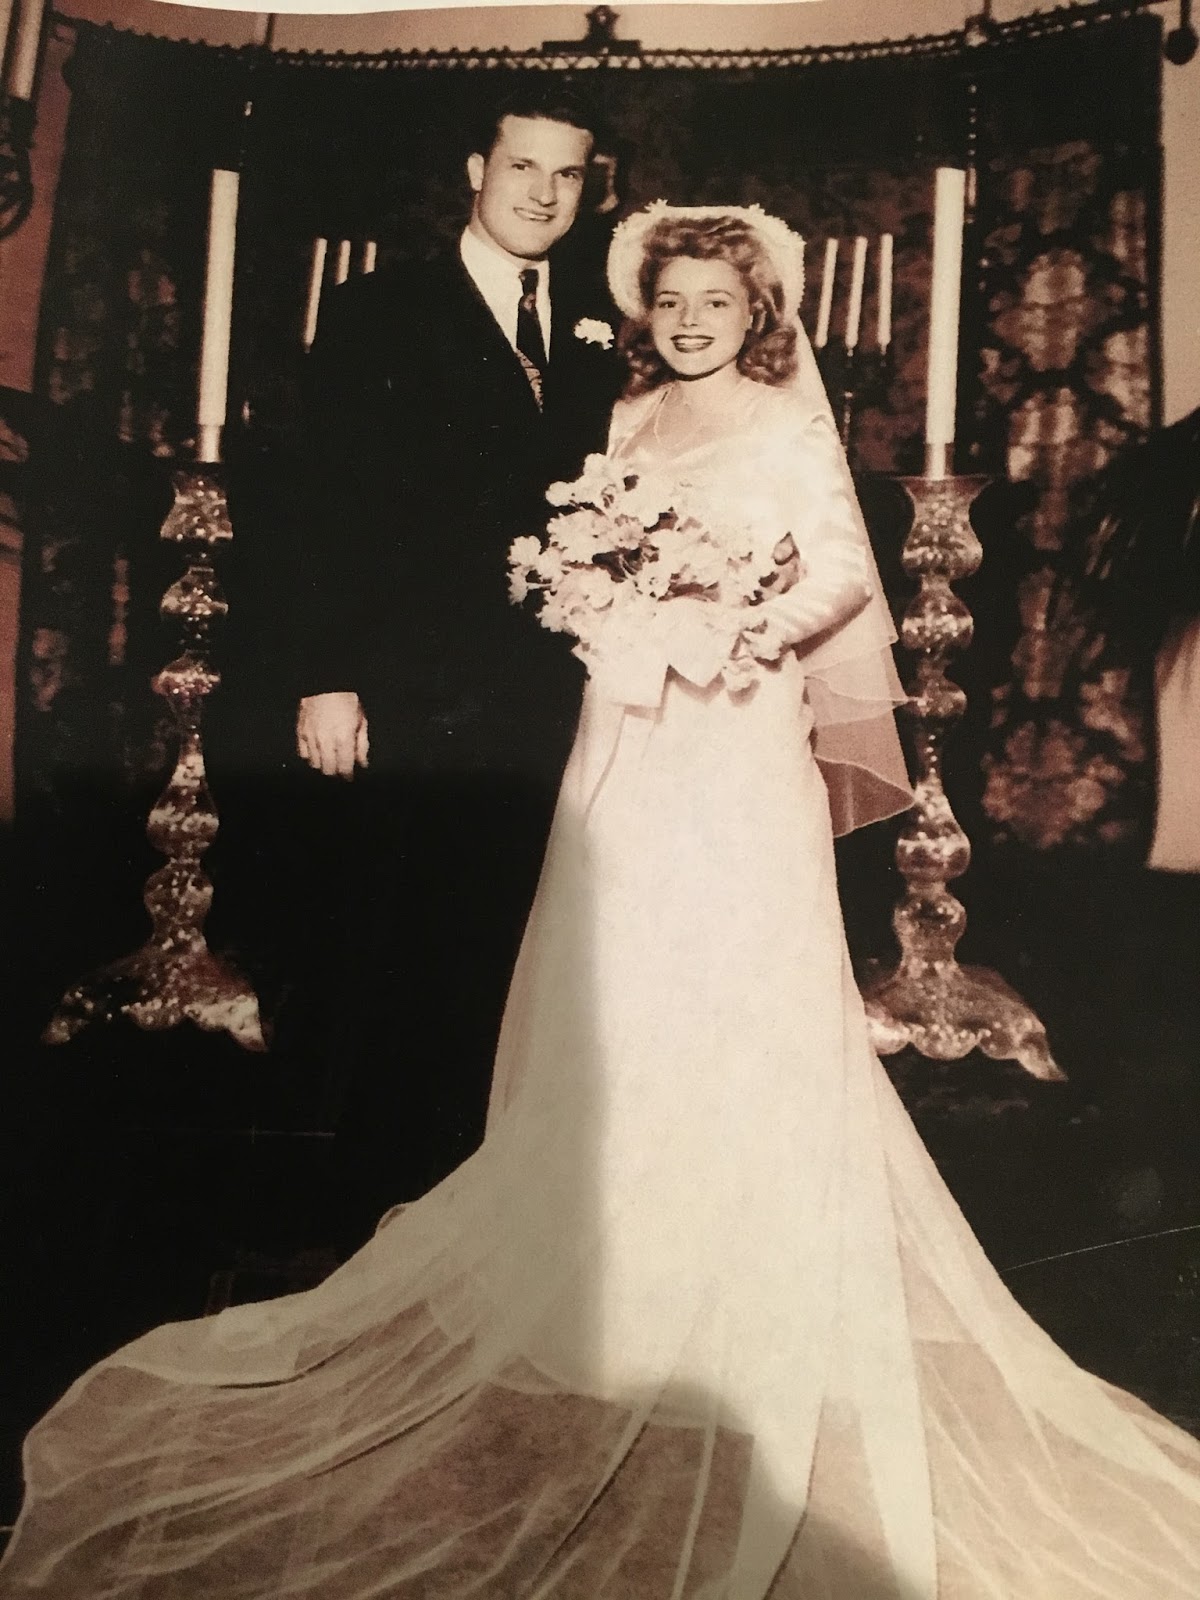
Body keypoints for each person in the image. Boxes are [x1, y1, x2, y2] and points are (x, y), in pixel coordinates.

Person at [4, 205, 1200, 1599]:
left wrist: (741, 624)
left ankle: (739, 1261)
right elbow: (586, 553)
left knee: (727, 973)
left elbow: (841, 574)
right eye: (671, 302)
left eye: (715, 304)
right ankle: (608, 1262)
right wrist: (596, 597)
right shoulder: (628, 417)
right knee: (616, 970)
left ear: (758, 314)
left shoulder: (782, 420)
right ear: (648, 311)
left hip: (734, 732)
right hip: (622, 733)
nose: (691, 323)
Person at [289, 85, 622, 1211]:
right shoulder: (381, 310)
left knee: (514, 943)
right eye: (523, 165)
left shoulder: (601, 323)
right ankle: (375, 1201)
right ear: (477, 170)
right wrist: (328, 676)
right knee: (401, 945)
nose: (544, 192)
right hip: (410, 684)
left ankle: (485, 1201)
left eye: (568, 174)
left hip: (554, 691)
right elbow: (322, 504)